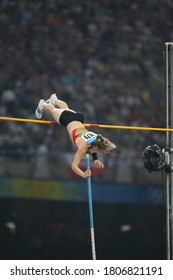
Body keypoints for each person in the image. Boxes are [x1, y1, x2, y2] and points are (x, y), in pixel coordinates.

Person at [35, 94, 116, 178]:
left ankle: (55, 100)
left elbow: (93, 147)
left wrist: (95, 160)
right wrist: (84, 175)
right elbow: (74, 166)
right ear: (96, 147)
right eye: (100, 151)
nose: (99, 153)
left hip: (78, 117)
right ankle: (42, 104)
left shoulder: (96, 137)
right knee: (52, 110)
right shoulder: (83, 147)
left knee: (66, 109)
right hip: (66, 119)